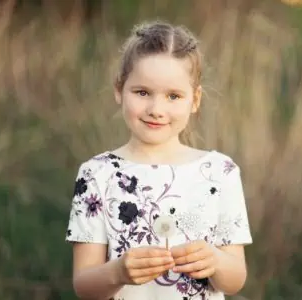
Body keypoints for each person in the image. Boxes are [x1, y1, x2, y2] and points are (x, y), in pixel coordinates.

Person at [65, 20, 253, 300]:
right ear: (119, 89)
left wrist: (214, 260)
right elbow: (84, 285)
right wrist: (118, 272)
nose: (156, 109)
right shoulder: (96, 174)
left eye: (173, 96)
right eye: (142, 93)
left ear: (195, 100)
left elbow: (235, 279)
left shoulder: (220, 172)